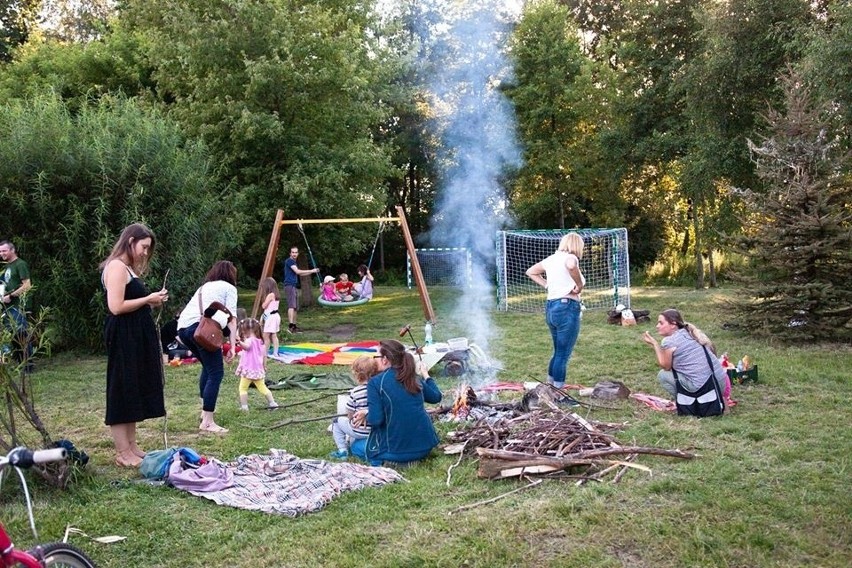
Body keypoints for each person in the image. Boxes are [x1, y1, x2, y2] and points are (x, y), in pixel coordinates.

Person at [99, 224, 168, 467]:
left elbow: (132, 302)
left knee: (134, 386)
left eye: (148, 249)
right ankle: (121, 452)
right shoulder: (117, 266)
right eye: (143, 247)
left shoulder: (128, 268)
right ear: (130, 241)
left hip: (136, 334)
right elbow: (116, 307)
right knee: (122, 388)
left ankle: (131, 446)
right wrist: (148, 299)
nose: (145, 253)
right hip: (124, 335)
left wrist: (151, 302)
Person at [177, 260, 239, 434]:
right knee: (216, 372)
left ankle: (204, 411)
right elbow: (232, 320)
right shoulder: (229, 288)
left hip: (184, 330)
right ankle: (207, 421)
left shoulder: (204, 287)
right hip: (201, 331)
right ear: (231, 274)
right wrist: (233, 347)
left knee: (208, 366)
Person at [361, 339, 442, 467]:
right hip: (425, 447)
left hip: (395, 453)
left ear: (385, 359)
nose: (374, 360)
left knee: (356, 446)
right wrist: (426, 375)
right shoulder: (413, 377)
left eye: (376, 356)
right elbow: (436, 397)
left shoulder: (376, 383)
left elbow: (376, 420)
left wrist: (366, 415)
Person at [524, 232, 585, 389]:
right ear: (577, 245)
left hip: (551, 307)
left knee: (558, 352)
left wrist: (547, 285)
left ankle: (549, 389)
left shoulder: (551, 259)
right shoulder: (570, 258)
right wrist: (579, 286)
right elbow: (571, 266)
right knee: (563, 354)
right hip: (567, 308)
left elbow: (530, 271)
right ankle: (558, 394)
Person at [641, 308, 727, 408]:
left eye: (661, 323)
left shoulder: (669, 341)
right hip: (719, 383)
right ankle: (717, 400)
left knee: (663, 375)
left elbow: (666, 366)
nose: (657, 326)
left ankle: (689, 404)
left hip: (705, 387)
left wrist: (655, 344)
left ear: (673, 324)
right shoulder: (690, 332)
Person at [328, 356, 376, 460]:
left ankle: (342, 450)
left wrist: (351, 419)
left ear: (357, 375)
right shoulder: (378, 389)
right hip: (374, 430)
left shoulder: (355, 392)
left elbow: (350, 411)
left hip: (359, 430)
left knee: (336, 421)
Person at [0, 240, 33, 367]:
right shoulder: (7, 266)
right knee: (13, 335)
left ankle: (28, 364)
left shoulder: (20, 264)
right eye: (0, 251)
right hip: (8, 306)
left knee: (21, 335)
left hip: (18, 306)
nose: (1, 253)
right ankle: (20, 362)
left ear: (12, 250)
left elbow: (27, 285)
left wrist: (11, 295)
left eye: (4, 250)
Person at [234, 317, 278, 411]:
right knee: (262, 387)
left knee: (243, 388)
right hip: (258, 370)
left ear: (245, 330)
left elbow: (247, 347)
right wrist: (264, 366)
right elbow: (264, 355)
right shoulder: (261, 342)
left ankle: (244, 407)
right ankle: (272, 403)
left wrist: (239, 342)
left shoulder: (249, 341)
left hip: (248, 370)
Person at [282, 246, 320, 333]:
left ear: (297, 253)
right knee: (291, 306)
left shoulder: (294, 262)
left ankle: (294, 326)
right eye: (293, 252)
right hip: (289, 285)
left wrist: (312, 272)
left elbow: (300, 274)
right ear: (290, 253)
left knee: (295, 307)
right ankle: (290, 326)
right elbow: (298, 272)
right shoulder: (289, 261)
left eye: (296, 252)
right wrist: (312, 270)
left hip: (293, 286)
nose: (294, 254)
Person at [260, 277, 281, 356]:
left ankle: (265, 351)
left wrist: (263, 303)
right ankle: (275, 351)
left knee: (266, 335)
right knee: (274, 335)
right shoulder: (276, 294)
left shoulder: (270, 295)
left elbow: (264, 306)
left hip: (271, 317)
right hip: (275, 316)